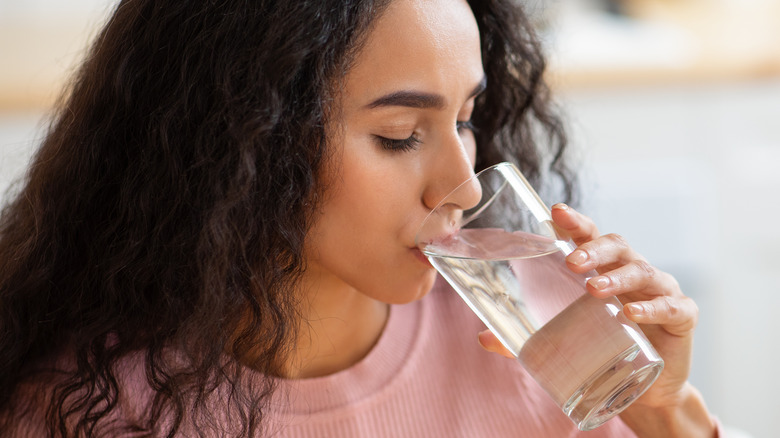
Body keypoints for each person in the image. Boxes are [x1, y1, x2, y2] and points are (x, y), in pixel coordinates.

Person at [0, 0, 719, 436]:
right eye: (400, 134)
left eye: (466, 119)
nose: (464, 189)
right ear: (243, 139)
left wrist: (665, 414)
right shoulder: (84, 407)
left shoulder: (543, 342)